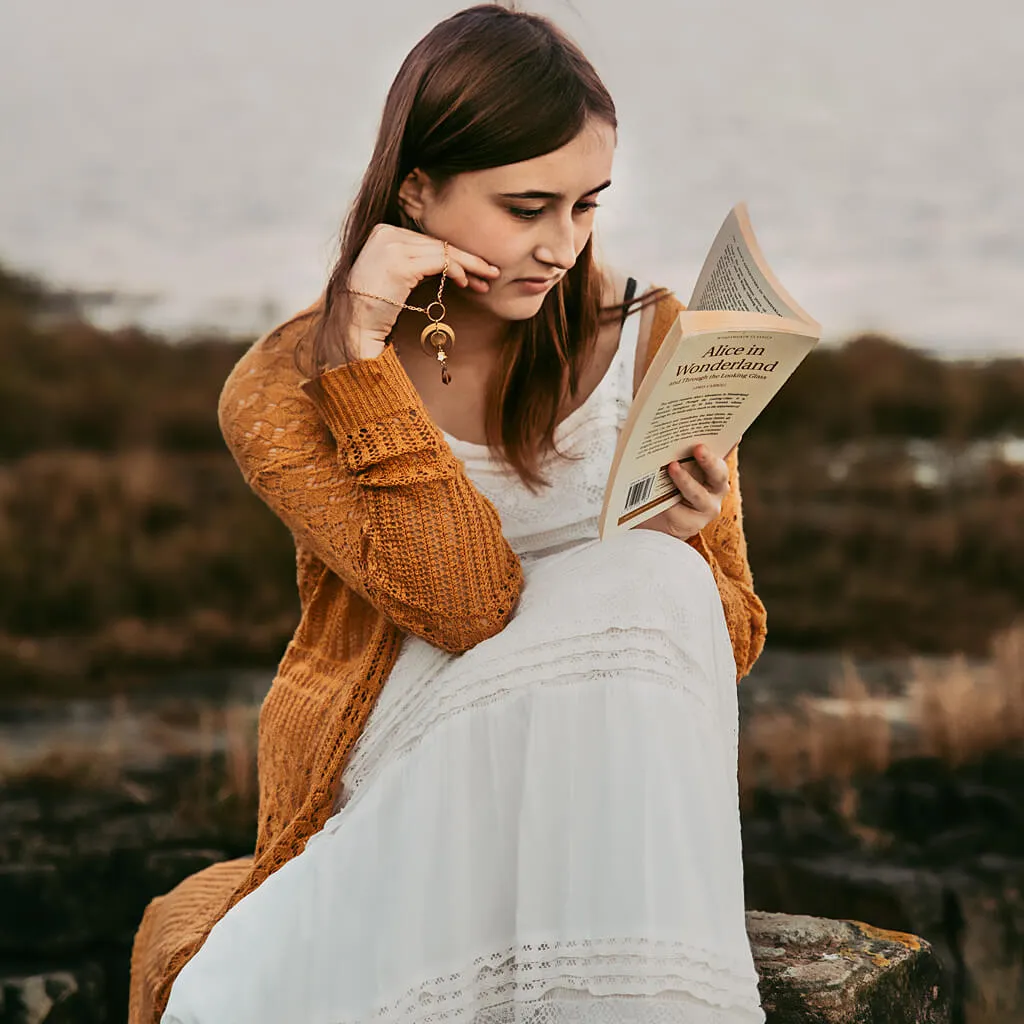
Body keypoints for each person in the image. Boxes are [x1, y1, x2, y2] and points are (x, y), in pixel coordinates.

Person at [129, 5, 769, 1022]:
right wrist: (363, 367)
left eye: (586, 206)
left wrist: (683, 539)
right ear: (417, 187)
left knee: (657, 579)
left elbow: (724, 643)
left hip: (596, 776)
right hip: (406, 762)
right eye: (526, 208)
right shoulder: (286, 386)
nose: (560, 245)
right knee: (641, 580)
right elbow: (462, 606)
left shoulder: (652, 337)